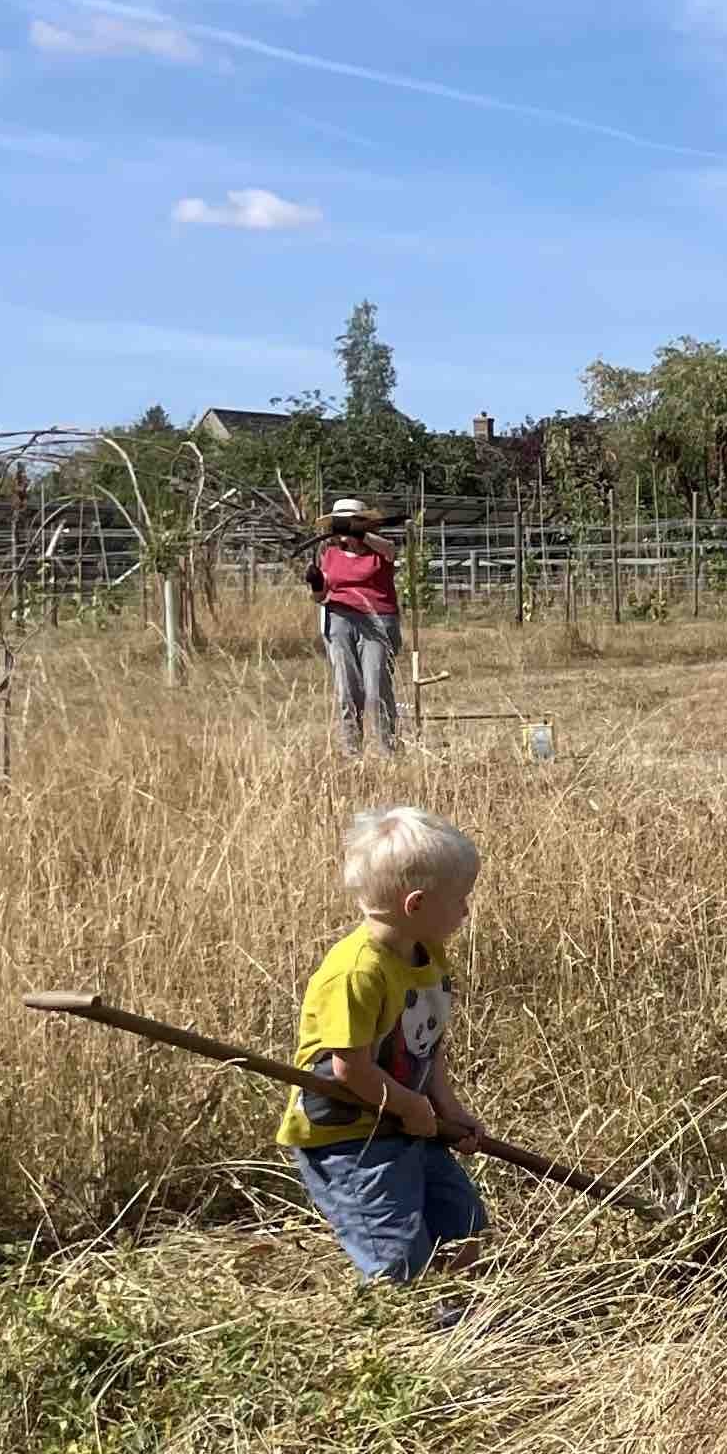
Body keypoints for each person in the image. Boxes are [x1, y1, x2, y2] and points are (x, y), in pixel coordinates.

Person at [278, 804, 491, 1290]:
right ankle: (398, 1339)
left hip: (404, 1119)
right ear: (415, 904)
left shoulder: (426, 954)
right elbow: (349, 1068)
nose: (465, 910)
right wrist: (412, 1105)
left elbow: (426, 1045)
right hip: (351, 1139)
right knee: (394, 1254)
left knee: (462, 1225)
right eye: (460, 900)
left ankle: (455, 1321)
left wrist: (447, 1108)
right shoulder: (357, 973)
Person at [303, 498, 406, 754]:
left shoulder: (379, 552)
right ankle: (352, 752)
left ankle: (388, 749)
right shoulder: (330, 553)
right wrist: (315, 582)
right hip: (339, 619)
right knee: (347, 689)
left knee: (375, 688)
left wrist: (359, 532)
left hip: (377, 621)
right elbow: (321, 596)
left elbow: (391, 550)